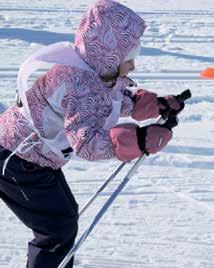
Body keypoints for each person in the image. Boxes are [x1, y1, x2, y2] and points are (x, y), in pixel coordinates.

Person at [0, 0, 184, 267]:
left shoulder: (95, 70)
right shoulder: (77, 84)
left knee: (65, 218)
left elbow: (113, 98)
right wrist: (138, 140)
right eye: (130, 54)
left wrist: (156, 105)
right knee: (56, 230)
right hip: (16, 159)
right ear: (109, 51)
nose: (133, 62)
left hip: (36, 158)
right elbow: (86, 142)